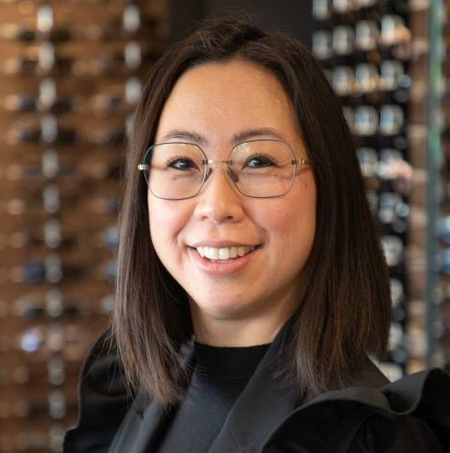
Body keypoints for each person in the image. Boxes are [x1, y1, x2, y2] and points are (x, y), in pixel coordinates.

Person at [64, 17, 450, 453]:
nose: (216, 206)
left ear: (328, 186)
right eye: (182, 163)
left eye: (259, 162)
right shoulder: (125, 392)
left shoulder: (371, 439)